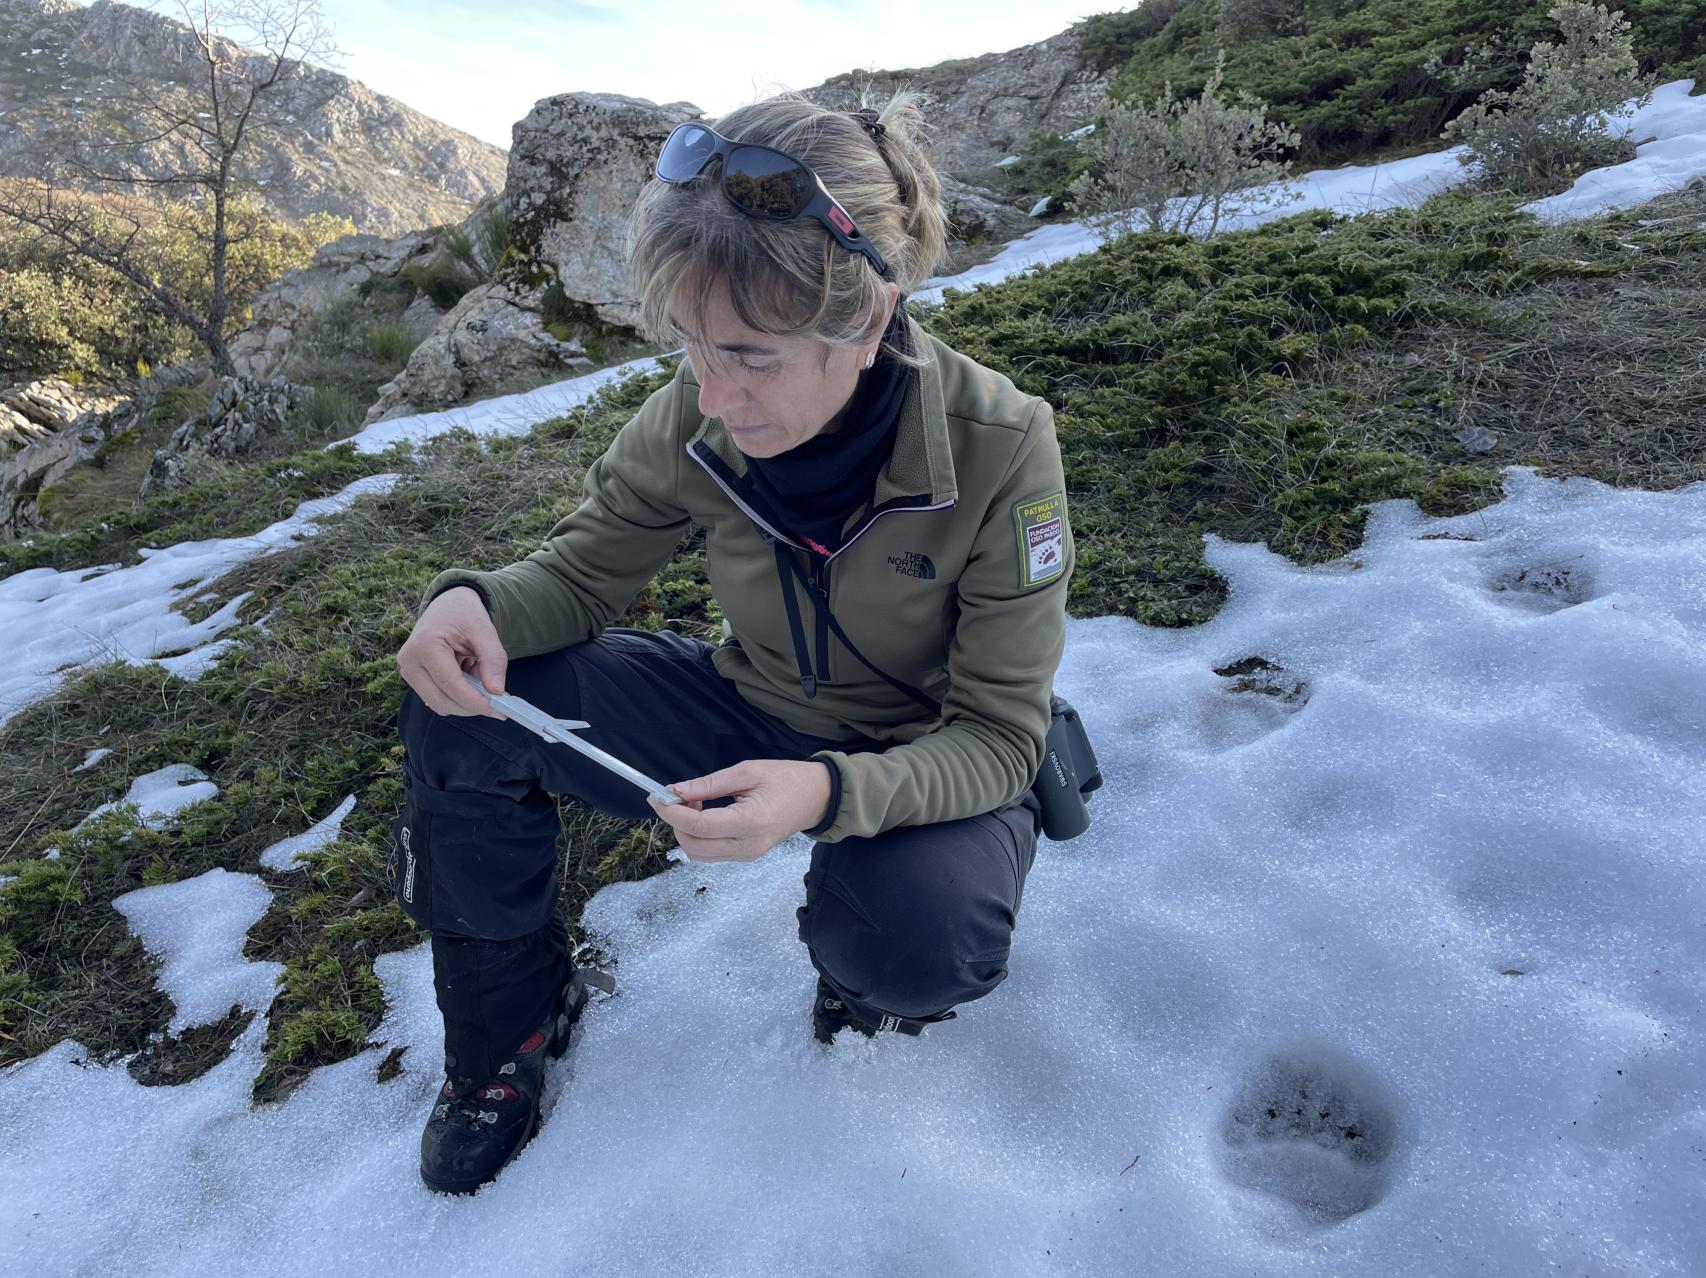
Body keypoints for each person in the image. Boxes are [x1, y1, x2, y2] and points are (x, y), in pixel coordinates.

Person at [390, 89, 1075, 1196]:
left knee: (914, 943)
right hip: (748, 705)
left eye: (751, 356)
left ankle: (859, 973)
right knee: (463, 714)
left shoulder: (1000, 450)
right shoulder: (698, 407)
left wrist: (821, 794)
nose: (712, 394)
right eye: (692, 346)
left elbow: (999, 739)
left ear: (868, 321)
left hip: (924, 753)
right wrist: (475, 605)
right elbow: (579, 574)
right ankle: (510, 1021)